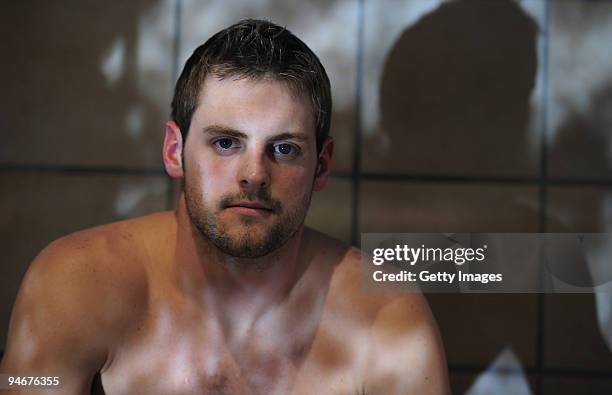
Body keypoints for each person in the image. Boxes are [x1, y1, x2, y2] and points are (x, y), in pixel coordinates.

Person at [1, 19, 449, 394]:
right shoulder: (77, 283)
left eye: (285, 149)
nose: (254, 174)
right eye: (225, 142)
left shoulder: (387, 315)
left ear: (322, 165)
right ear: (175, 151)